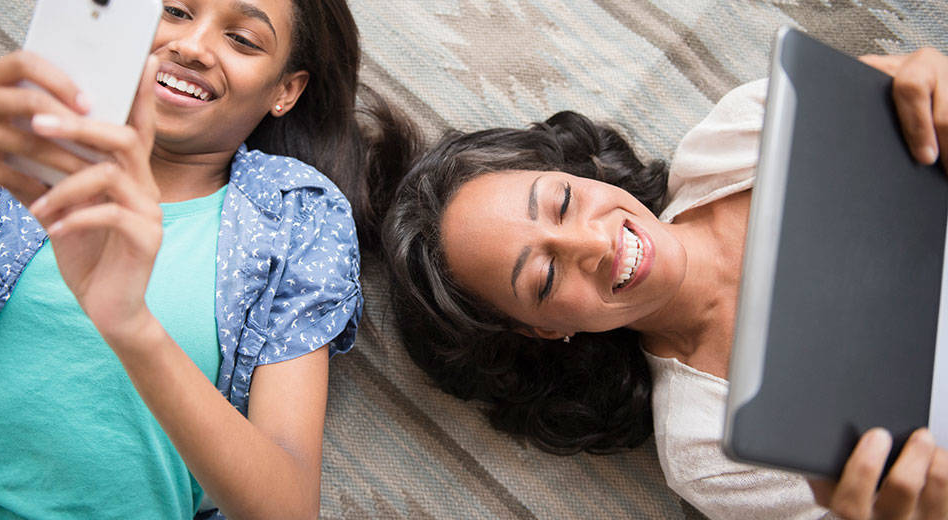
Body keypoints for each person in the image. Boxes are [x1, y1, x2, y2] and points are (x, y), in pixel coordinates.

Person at [0, 0, 414, 520]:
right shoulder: (23, 140)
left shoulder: (298, 214)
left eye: (242, 39)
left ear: (285, 91)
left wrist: (131, 324)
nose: (190, 46)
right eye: (175, 11)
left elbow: (287, 509)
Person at [383, 47, 948, 520]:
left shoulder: (739, 134)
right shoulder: (706, 445)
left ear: (577, 173)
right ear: (543, 329)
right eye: (546, 276)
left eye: (562, 203)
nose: (596, 245)